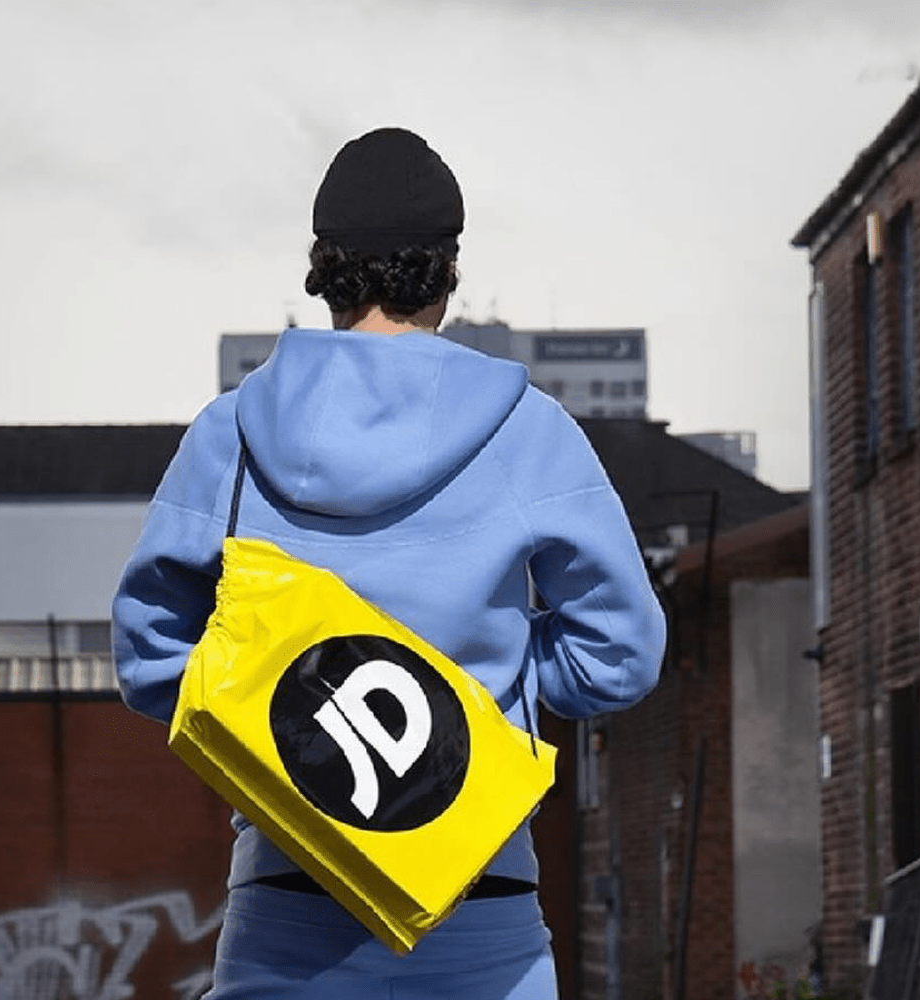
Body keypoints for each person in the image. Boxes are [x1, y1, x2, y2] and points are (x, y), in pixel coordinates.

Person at [112, 126, 665, 1000]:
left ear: (324, 271)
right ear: (447, 272)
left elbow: (150, 661)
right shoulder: (530, 433)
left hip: (285, 906)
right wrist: (483, 692)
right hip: (479, 900)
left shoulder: (228, 436)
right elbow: (620, 657)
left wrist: (288, 701)